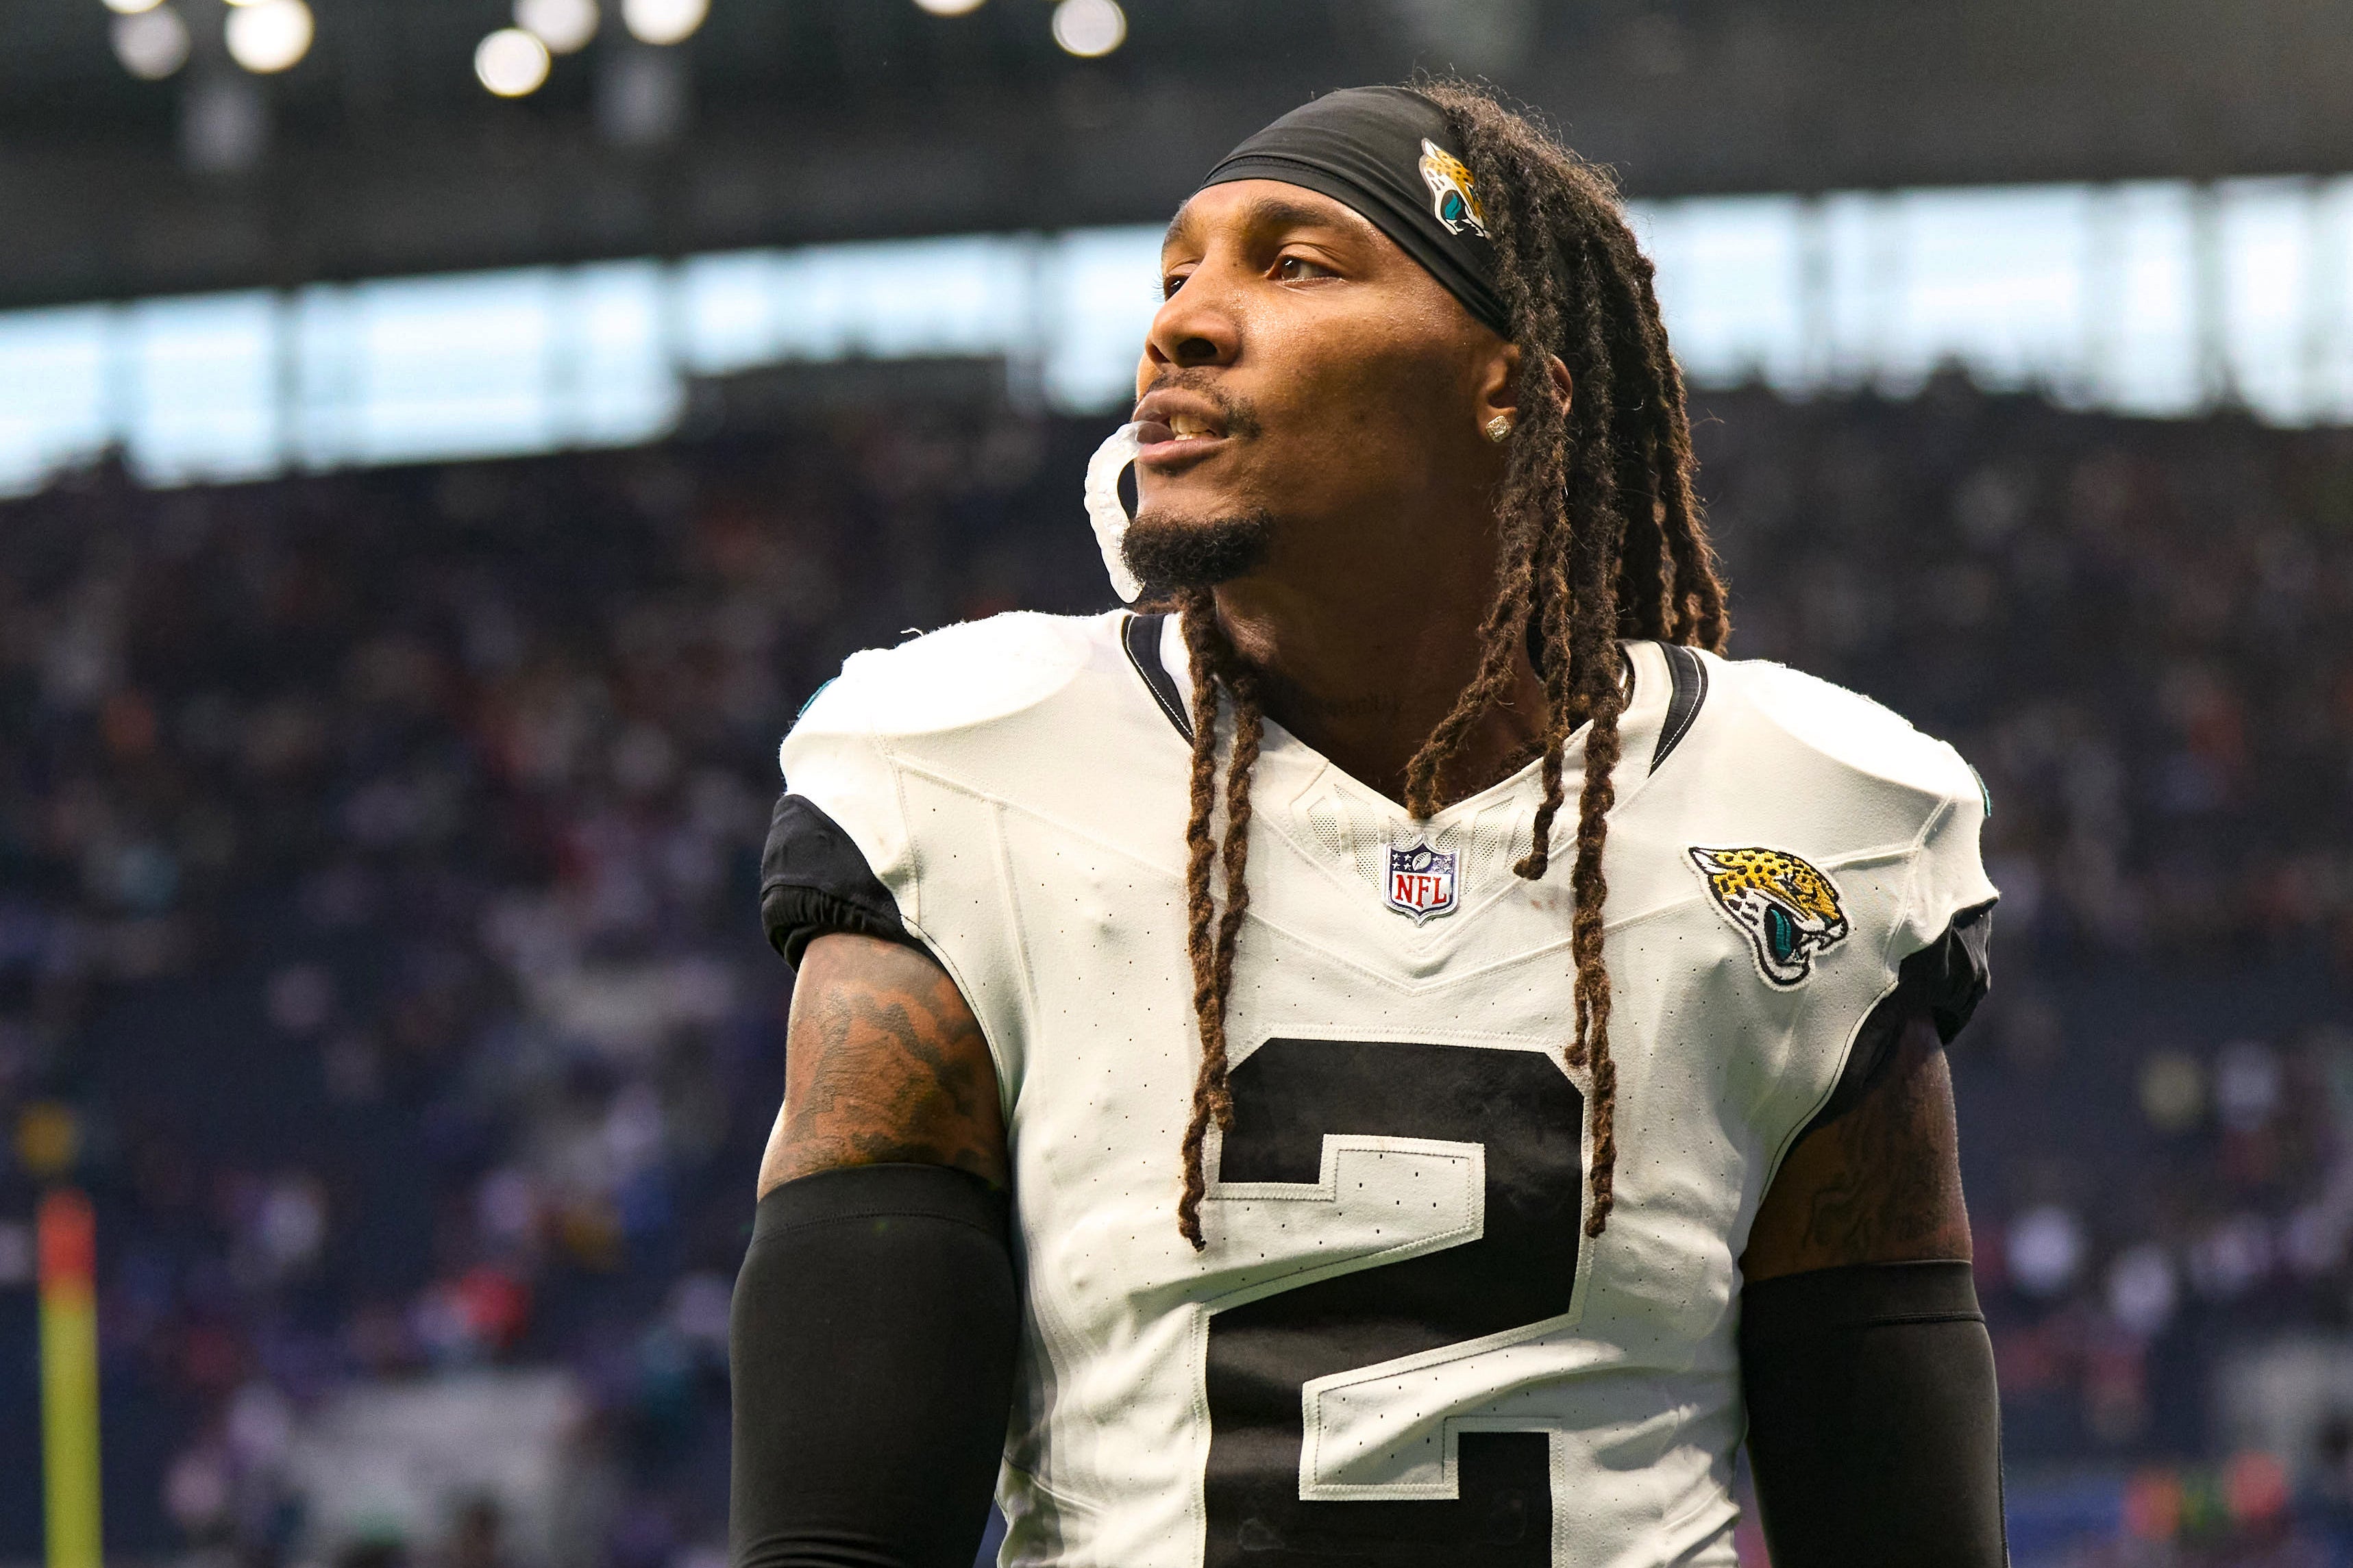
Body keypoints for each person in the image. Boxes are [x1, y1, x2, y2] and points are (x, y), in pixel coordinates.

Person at [731, 82, 2006, 1568]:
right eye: (1175, 272)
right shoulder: (965, 763)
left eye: (1294, 264)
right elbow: (840, 1535)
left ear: (1509, 387)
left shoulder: (1819, 814)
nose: (1183, 322)